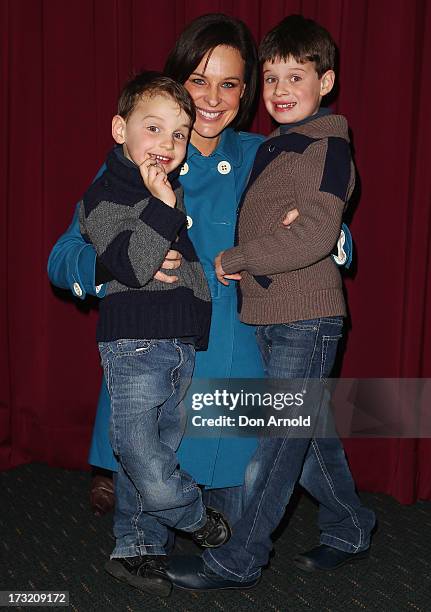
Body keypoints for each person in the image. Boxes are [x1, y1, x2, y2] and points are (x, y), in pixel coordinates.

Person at [47, 12, 353, 595]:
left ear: (247, 93)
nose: (212, 99)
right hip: (164, 358)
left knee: (239, 525)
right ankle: (136, 523)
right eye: (198, 80)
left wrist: (326, 234)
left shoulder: (272, 152)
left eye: (231, 83)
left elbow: (332, 229)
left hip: (241, 372)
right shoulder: (145, 153)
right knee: (151, 466)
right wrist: (107, 267)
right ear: (175, 83)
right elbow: (64, 258)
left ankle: (342, 521)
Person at [166, 14, 376, 591]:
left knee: (277, 446)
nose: (282, 91)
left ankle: (238, 558)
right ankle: (352, 525)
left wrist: (239, 258)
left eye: (296, 78)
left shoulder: (327, 147)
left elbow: (315, 235)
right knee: (307, 441)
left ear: (325, 83)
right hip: (270, 319)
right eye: (274, 78)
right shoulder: (277, 146)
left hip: (306, 321)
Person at [76, 70, 238, 597]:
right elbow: (134, 265)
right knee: (139, 451)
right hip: (135, 346)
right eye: (154, 128)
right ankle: (192, 515)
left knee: (157, 451)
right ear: (120, 130)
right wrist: (163, 207)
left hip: (177, 346)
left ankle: (135, 548)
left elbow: (182, 268)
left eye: (178, 133)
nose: (167, 144)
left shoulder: (167, 190)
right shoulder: (105, 194)